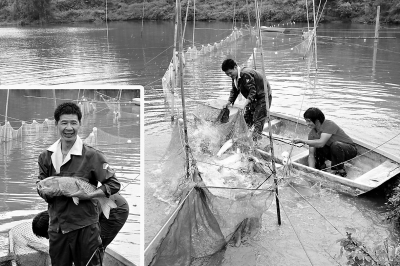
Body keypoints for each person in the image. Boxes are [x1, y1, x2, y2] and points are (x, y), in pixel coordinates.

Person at [36, 102, 121, 266]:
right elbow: (41, 187)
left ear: (80, 124)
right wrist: (45, 192)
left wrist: (89, 195)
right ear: (56, 124)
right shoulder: (45, 157)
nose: (69, 128)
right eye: (64, 123)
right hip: (57, 228)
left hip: (86, 228)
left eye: (73, 123)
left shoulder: (93, 155)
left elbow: (113, 184)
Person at [32, 192, 129, 250]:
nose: (50, 239)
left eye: (48, 236)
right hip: (101, 203)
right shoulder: (57, 212)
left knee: (95, 247)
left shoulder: (73, 218)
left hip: (115, 208)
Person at [292, 107, 357, 177]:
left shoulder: (329, 124)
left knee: (335, 145)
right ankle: (322, 168)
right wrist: (311, 170)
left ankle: (340, 169)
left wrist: (302, 141)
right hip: (333, 153)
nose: (307, 123)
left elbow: (321, 143)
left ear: (317, 121)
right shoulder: (312, 134)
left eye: (309, 121)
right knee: (316, 146)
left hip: (349, 150)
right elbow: (311, 155)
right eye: (306, 121)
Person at [221, 58, 272, 141]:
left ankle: (256, 142)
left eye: (230, 73)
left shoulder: (245, 74)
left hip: (263, 97)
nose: (229, 75)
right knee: (247, 118)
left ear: (235, 67)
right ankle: (246, 138)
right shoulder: (235, 76)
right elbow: (234, 90)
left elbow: (253, 92)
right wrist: (229, 102)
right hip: (253, 99)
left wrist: (244, 104)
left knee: (257, 120)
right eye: (227, 74)